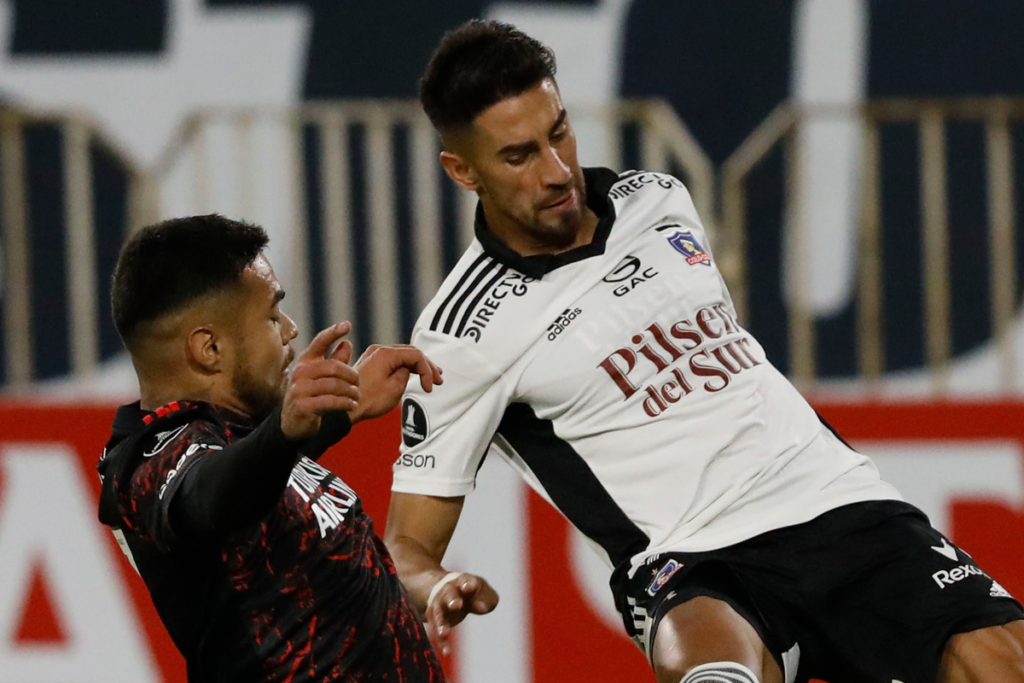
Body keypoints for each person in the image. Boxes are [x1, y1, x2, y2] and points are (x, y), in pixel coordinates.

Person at [382, 20, 1024, 683]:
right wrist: (435, 585)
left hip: (836, 501)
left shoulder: (657, 199)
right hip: (693, 558)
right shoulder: (461, 334)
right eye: (518, 155)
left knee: (1002, 662)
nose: (556, 171)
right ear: (462, 170)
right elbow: (404, 547)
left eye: (559, 132)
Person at [97, 215, 448, 683]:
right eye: (271, 315)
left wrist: (339, 410)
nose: (290, 329)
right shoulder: (147, 460)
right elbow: (210, 496)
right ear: (210, 348)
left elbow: (252, 479)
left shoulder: (239, 438)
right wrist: (285, 434)